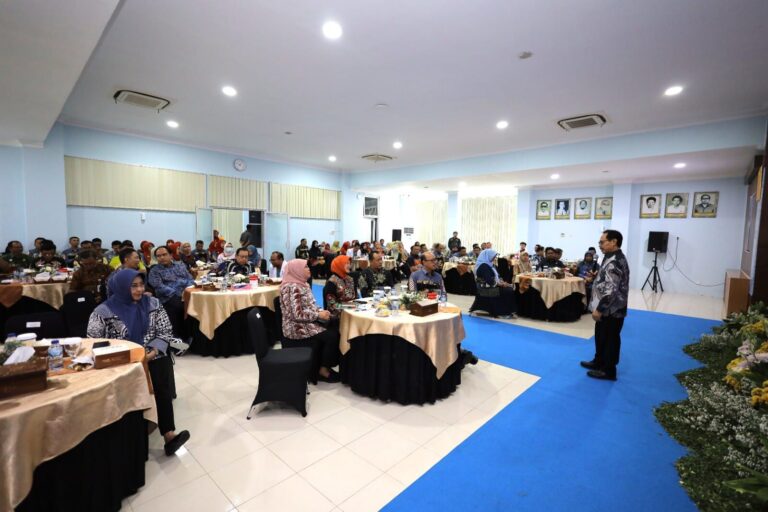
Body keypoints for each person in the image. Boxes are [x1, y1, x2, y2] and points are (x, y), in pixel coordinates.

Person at [87, 269, 191, 455]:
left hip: (153, 355)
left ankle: (169, 435)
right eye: (133, 286)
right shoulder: (102, 312)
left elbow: (165, 330)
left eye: (141, 285)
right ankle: (134, 439)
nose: (139, 290)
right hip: (122, 362)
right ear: (120, 287)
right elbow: (93, 342)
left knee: (161, 382)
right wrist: (127, 357)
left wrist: (154, 351)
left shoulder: (153, 303)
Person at [280, 259, 340, 383]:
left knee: (336, 323)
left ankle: (325, 365)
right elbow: (295, 314)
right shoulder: (291, 287)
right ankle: (323, 370)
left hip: (307, 321)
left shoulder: (303, 284)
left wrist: (321, 311)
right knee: (332, 336)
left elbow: (311, 304)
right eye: (305, 267)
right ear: (296, 270)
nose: (309, 268)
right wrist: (318, 315)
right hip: (296, 326)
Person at [581, 230, 630, 381]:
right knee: (601, 336)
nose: (599, 245)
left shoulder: (615, 261)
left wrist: (600, 309)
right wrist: (596, 278)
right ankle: (599, 361)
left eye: (602, 242)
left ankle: (609, 370)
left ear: (613, 241)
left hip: (611, 310)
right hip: (608, 308)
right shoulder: (610, 257)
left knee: (610, 339)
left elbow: (611, 289)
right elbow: (609, 280)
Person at [148, 246, 194, 337]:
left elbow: (190, 279)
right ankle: (177, 337)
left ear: (171, 255)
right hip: (168, 297)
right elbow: (159, 287)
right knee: (178, 305)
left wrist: (186, 291)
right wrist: (178, 294)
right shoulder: (155, 271)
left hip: (186, 294)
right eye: (158, 256)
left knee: (197, 304)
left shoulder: (180, 265)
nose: (161, 258)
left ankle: (193, 336)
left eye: (164, 255)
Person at [473, 249, 517, 318]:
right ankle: (502, 312)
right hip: (485, 289)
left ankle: (509, 311)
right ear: (488, 256)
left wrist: (503, 282)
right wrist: (501, 284)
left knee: (510, 288)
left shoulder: (491, 265)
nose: (494, 258)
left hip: (491, 286)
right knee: (508, 290)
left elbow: (498, 277)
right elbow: (489, 281)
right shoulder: (483, 266)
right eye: (493, 256)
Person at [323, 255, 356, 323]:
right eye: (346, 263)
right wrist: (351, 306)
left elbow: (355, 297)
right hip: (338, 318)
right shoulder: (332, 282)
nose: (349, 266)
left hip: (353, 313)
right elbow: (332, 306)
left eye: (349, 263)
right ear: (339, 265)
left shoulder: (350, 279)